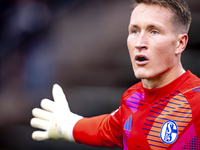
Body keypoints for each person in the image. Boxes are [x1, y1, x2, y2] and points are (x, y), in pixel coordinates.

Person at [30, 0, 200, 149]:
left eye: (154, 31)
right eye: (134, 31)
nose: (140, 43)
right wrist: (67, 126)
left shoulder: (196, 102)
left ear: (180, 43)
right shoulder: (133, 99)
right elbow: (106, 129)